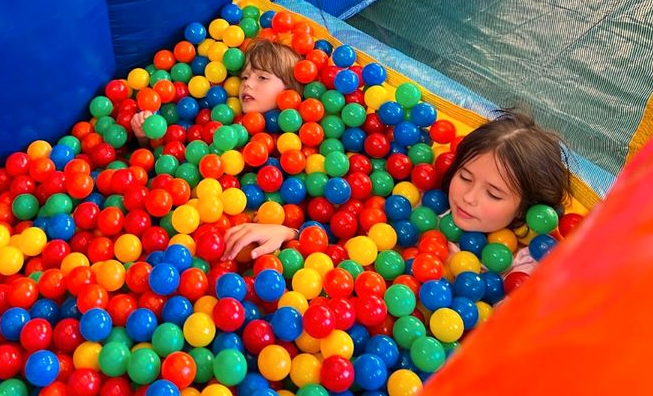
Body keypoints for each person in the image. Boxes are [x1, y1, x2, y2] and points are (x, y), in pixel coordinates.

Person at [224, 110, 572, 274]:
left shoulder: (523, 267)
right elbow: (352, 248)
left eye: (494, 195)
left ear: (526, 209)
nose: (468, 197)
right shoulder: (425, 208)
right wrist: (289, 233)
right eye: (465, 178)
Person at [131, 39, 302, 140]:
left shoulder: (292, 138)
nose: (248, 84)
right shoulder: (226, 121)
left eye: (262, 77)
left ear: (291, 90)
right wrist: (145, 135)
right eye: (244, 76)